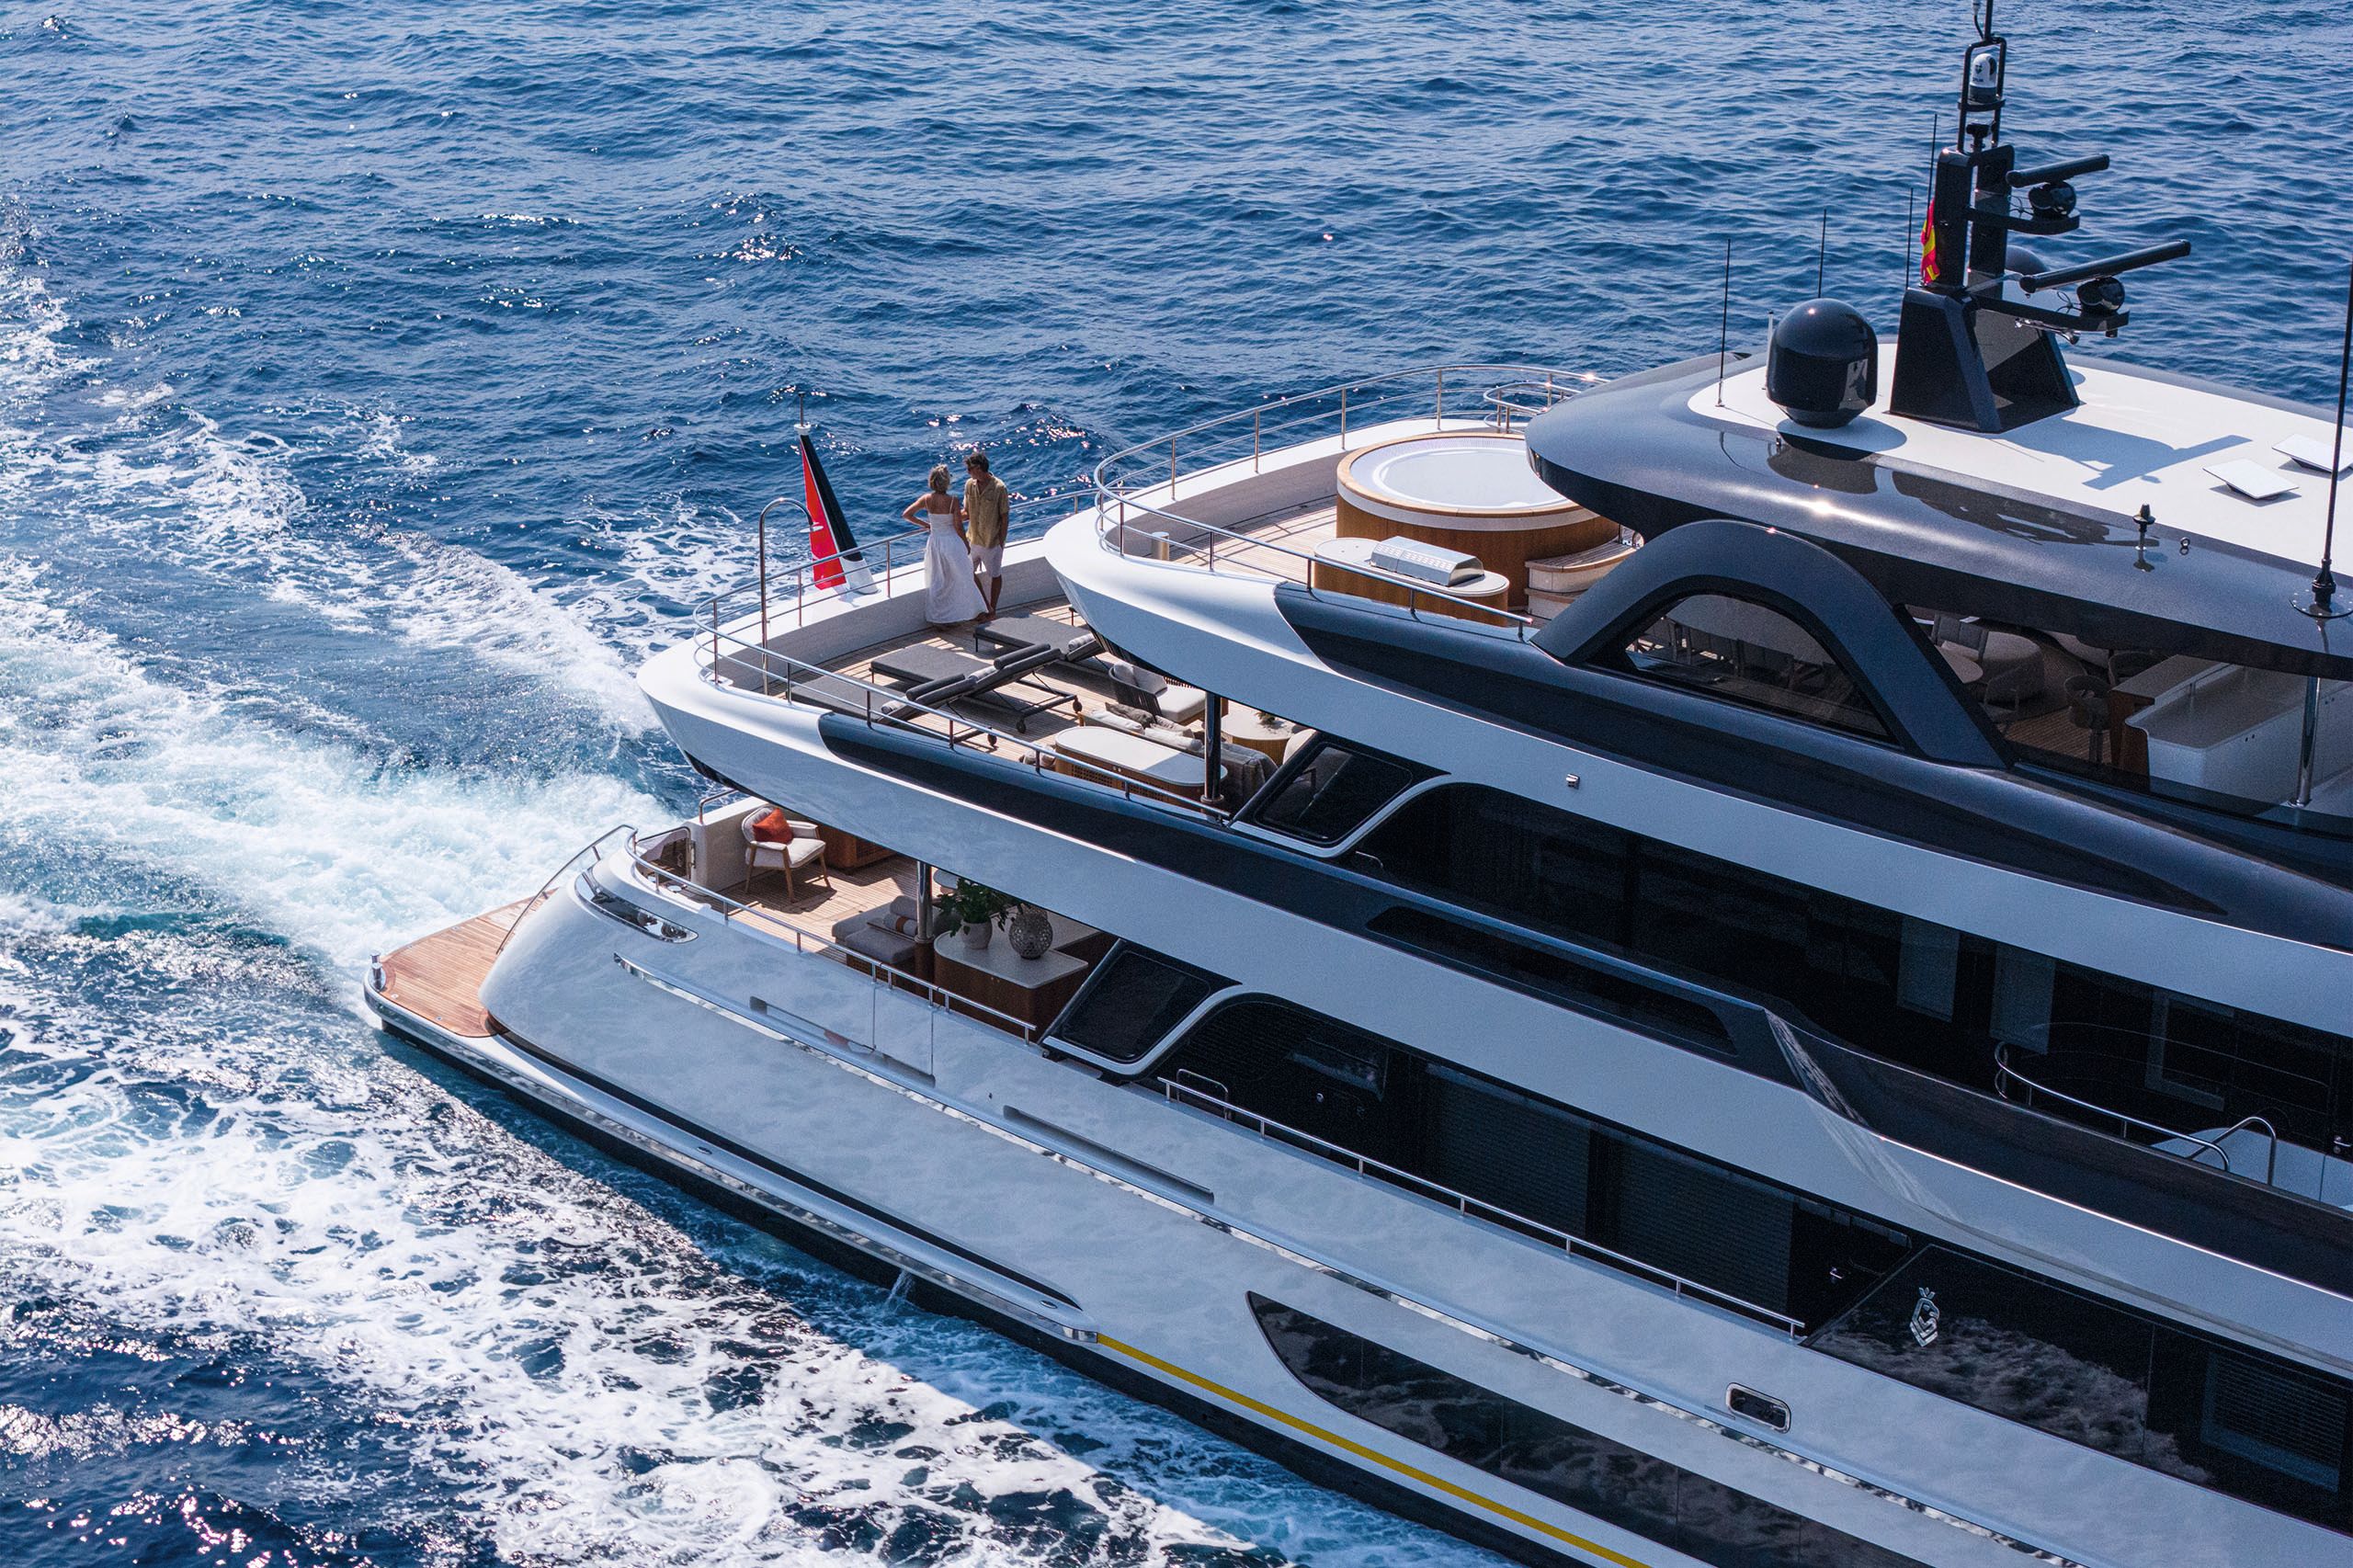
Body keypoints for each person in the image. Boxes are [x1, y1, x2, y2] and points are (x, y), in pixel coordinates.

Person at [904, 464, 986, 625]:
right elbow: (958, 526)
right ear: (946, 482)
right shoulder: (952, 501)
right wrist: (965, 544)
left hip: (935, 543)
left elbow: (907, 515)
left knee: (939, 580)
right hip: (952, 542)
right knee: (964, 575)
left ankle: (940, 619)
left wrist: (927, 525)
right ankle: (976, 612)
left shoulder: (926, 499)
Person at [962, 450, 1009, 619]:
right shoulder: (969, 485)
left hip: (991, 542)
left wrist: (1001, 543)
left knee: (995, 575)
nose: (968, 472)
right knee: (966, 573)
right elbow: (966, 512)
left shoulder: (999, 488)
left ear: (979, 468)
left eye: (970, 469)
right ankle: (982, 606)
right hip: (972, 540)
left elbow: (1004, 517)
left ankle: (992, 609)